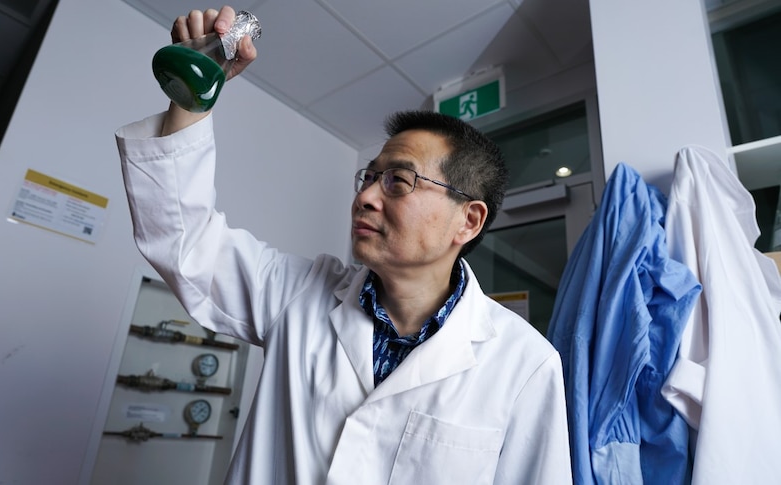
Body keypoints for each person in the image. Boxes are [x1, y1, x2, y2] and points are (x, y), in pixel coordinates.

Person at [116, 6, 572, 484]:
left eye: (397, 181)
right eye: (369, 177)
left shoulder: (525, 363)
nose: (365, 197)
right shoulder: (298, 293)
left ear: (468, 220)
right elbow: (185, 242)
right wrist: (191, 97)